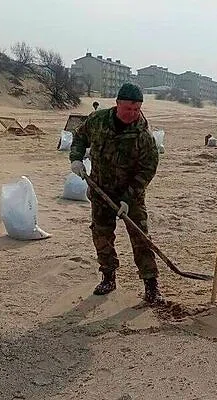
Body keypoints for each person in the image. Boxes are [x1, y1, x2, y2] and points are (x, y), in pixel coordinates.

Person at [69, 83, 163, 304]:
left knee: (141, 238)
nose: (132, 114)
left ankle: (151, 284)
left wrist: (128, 199)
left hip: (131, 196)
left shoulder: (144, 136)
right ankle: (108, 277)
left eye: (137, 109)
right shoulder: (98, 120)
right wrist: (76, 158)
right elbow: (79, 136)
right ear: (117, 104)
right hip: (100, 190)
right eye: (128, 108)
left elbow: (147, 170)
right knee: (101, 235)